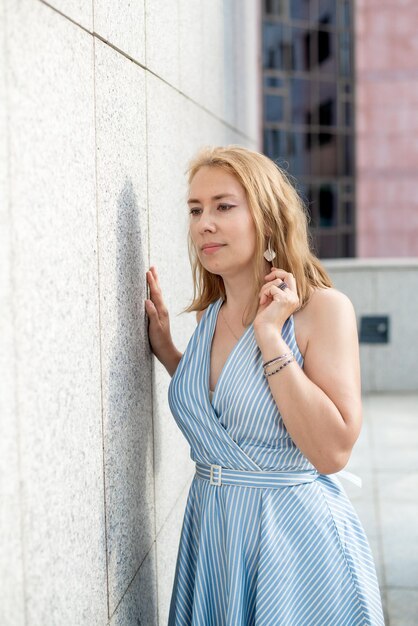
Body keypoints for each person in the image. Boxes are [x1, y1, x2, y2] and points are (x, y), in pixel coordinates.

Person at [145, 145, 384, 625]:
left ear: (267, 219)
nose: (203, 224)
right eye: (195, 210)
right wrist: (170, 352)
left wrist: (271, 337)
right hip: (213, 535)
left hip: (290, 545)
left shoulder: (322, 310)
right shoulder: (210, 318)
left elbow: (332, 452)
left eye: (223, 206)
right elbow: (229, 413)